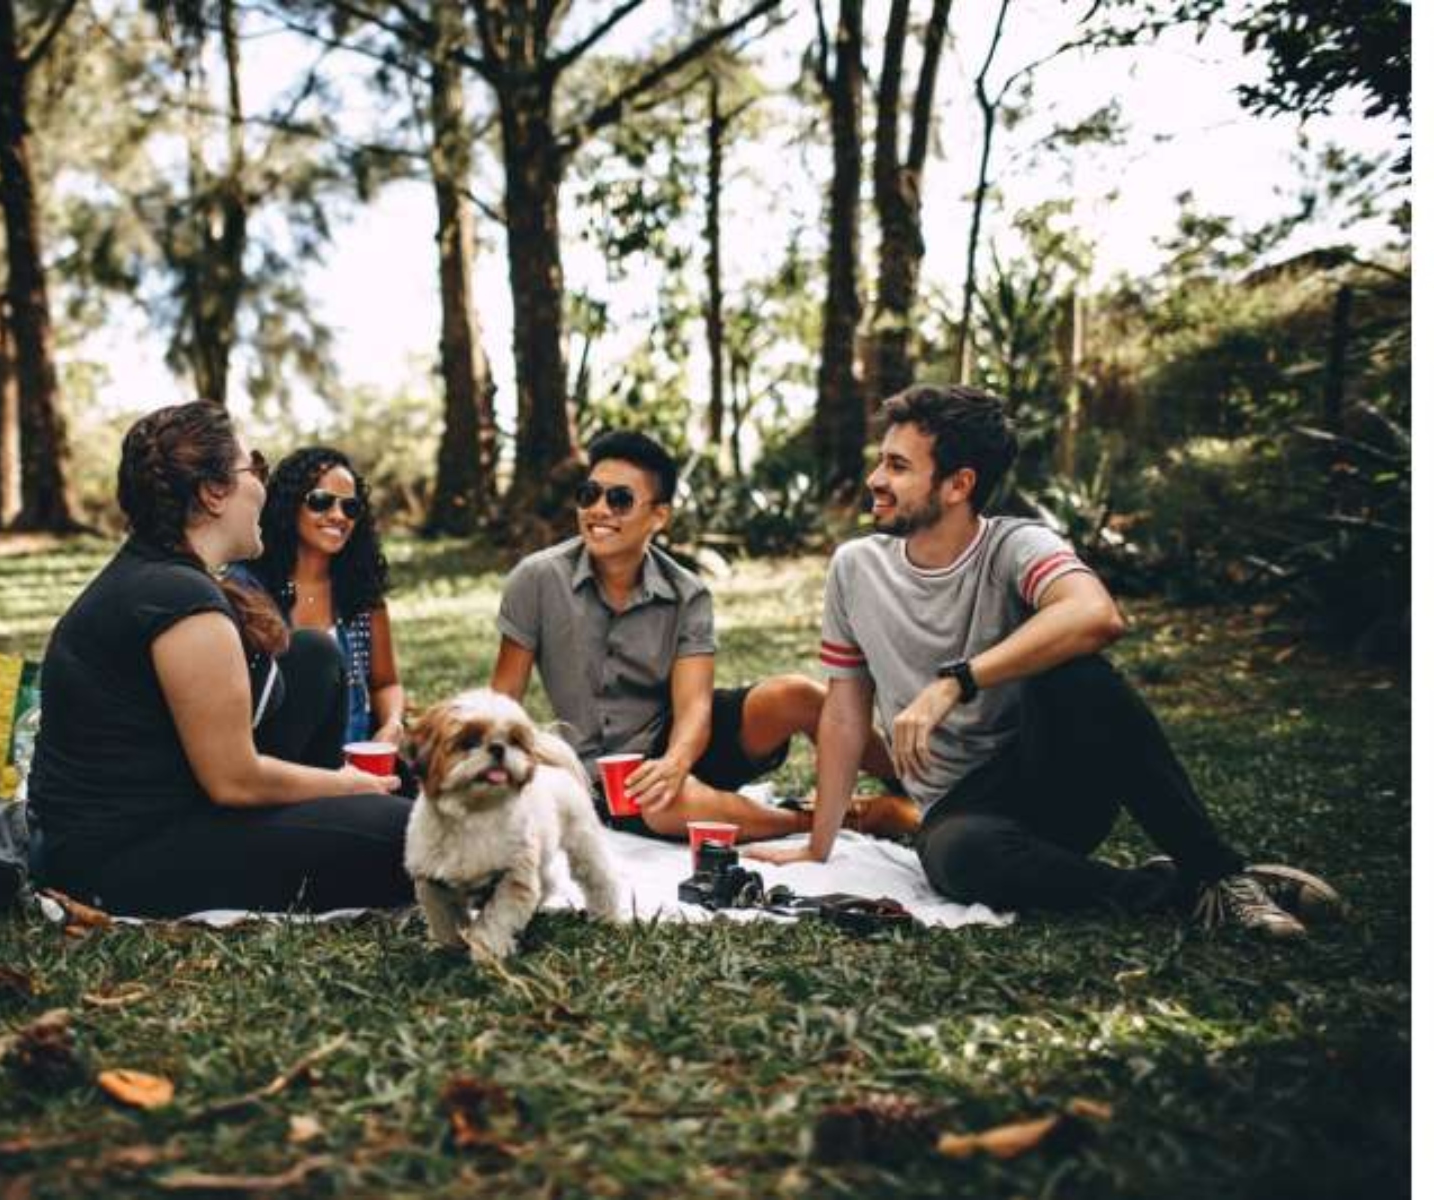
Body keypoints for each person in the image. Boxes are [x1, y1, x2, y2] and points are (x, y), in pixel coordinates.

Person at [746, 384, 1341, 939]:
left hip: (1054, 781)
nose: (876, 478)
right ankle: (1182, 890)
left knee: (1079, 672)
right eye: (882, 460)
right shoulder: (856, 567)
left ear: (958, 484)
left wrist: (955, 682)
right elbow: (846, 713)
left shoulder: (1016, 545)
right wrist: (817, 847)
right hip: (960, 812)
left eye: (898, 467)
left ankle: (1219, 872)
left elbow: (1096, 615)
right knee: (959, 859)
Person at [28, 401, 413, 917]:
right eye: (253, 466)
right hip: (125, 857)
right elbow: (234, 779)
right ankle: (345, 818)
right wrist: (348, 785)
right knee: (417, 838)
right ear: (213, 493)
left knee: (313, 656)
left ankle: (337, 817)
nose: (263, 483)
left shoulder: (162, 573)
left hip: (172, 807)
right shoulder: (179, 602)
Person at [490, 429, 826, 842]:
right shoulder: (536, 579)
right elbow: (502, 702)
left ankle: (912, 787)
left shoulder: (688, 593)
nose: (598, 510)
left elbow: (694, 710)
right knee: (661, 803)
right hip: (607, 776)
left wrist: (676, 762)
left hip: (682, 742)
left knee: (797, 694)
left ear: (659, 516)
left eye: (620, 499)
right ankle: (823, 821)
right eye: (589, 494)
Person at [249, 448, 406, 748]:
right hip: (277, 769)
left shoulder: (361, 593)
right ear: (289, 505)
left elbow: (386, 683)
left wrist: (391, 725)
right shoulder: (251, 590)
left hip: (353, 764)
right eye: (321, 502)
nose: (337, 516)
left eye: (350, 507)